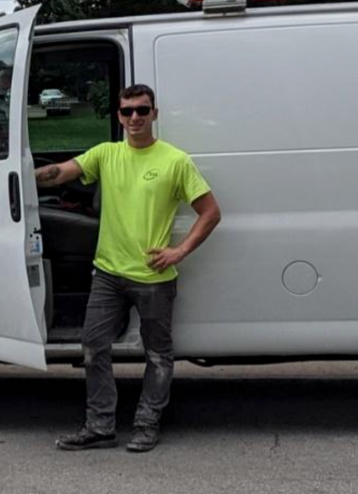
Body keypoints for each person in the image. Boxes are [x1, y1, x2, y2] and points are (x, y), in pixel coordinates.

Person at [36, 84, 222, 453]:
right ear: (118, 116)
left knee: (157, 355)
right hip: (108, 274)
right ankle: (100, 426)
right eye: (127, 111)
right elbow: (59, 173)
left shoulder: (175, 161)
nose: (134, 117)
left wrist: (179, 251)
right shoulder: (106, 154)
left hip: (154, 278)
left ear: (155, 113)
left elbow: (211, 212)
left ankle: (146, 424)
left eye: (142, 110)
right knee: (93, 346)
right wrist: (13, 174)